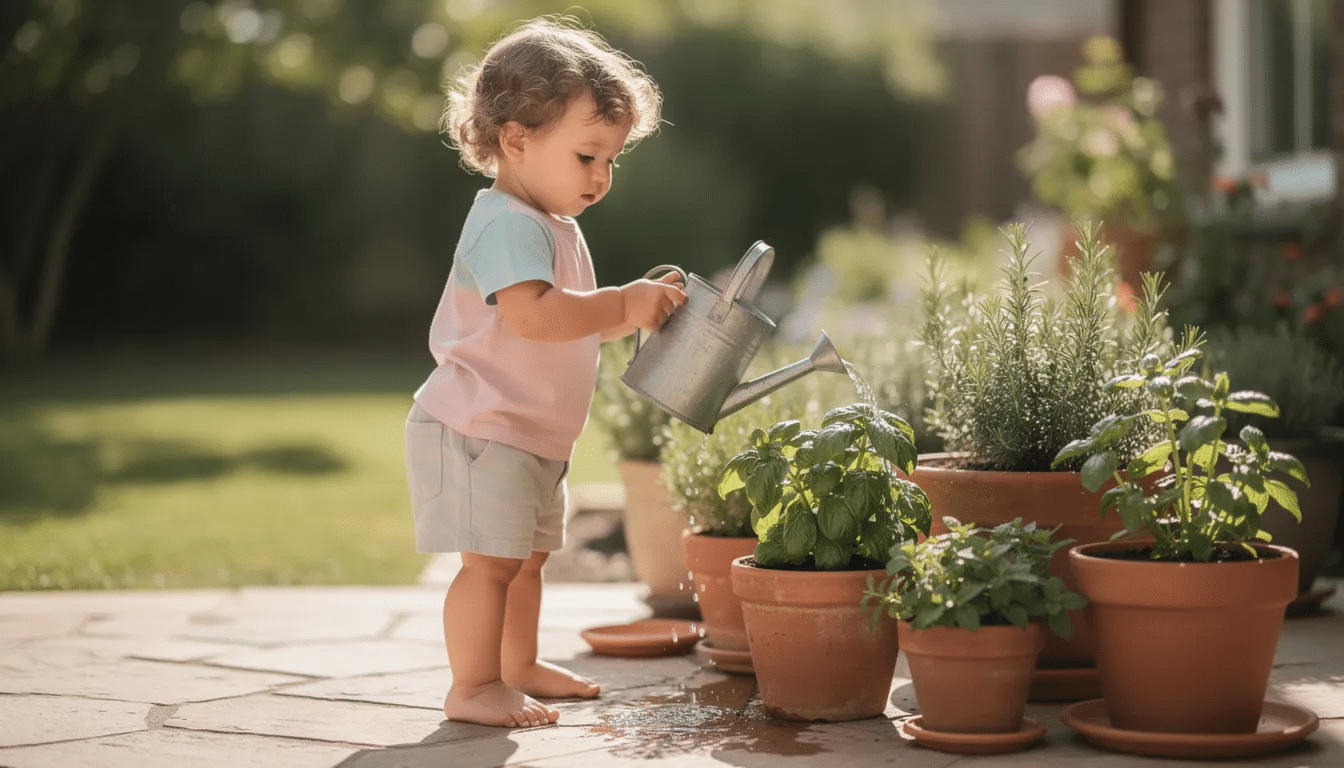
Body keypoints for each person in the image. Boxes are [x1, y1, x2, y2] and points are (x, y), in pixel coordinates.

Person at [405, 16, 685, 729]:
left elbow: (565, 317)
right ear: (516, 139)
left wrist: (633, 313)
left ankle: (515, 666)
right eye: (588, 155)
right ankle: (472, 685)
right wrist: (621, 303)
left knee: (525, 564)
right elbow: (534, 316)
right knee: (489, 567)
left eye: (611, 161)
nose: (601, 176)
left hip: (529, 435)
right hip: (481, 430)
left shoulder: (552, 222)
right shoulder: (505, 221)